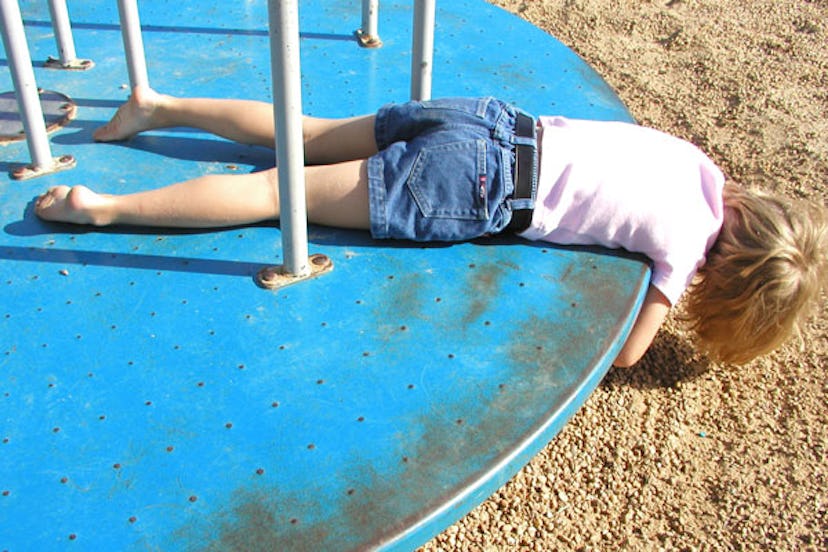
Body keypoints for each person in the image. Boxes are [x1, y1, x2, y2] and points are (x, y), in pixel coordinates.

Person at [34, 87, 827, 367]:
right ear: (728, 281)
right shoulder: (686, 249)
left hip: (485, 121)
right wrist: (673, 284)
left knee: (306, 132)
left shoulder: (697, 165)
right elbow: (624, 354)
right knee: (282, 196)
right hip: (476, 184)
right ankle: (101, 208)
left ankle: (159, 106)